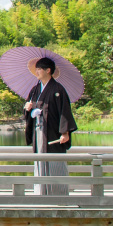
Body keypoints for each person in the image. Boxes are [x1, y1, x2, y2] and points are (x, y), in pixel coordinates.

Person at [23, 57, 77, 196]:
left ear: (48, 70)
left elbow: (64, 111)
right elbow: (28, 111)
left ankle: (58, 194)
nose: (37, 71)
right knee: (40, 160)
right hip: (38, 130)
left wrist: (65, 132)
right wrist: (28, 108)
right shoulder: (35, 90)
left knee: (55, 161)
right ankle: (40, 193)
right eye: (36, 69)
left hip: (53, 132)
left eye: (40, 69)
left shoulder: (58, 89)